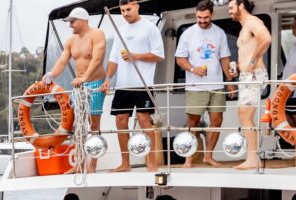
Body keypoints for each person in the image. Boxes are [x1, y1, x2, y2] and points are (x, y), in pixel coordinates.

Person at [101, 0, 164, 173]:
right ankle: (125, 163)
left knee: (144, 120)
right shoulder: (120, 31)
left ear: (137, 6)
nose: (125, 13)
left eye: (128, 9)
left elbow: (159, 56)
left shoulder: (150, 28)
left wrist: (136, 56)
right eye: (122, 10)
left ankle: (152, 162)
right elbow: (114, 59)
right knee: (120, 121)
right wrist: (107, 78)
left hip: (143, 84)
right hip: (123, 85)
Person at [44, 7, 107, 173]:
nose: (70, 25)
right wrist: (51, 74)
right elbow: (62, 62)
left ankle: (92, 164)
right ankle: (79, 164)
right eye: (69, 22)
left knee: (94, 125)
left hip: (94, 83)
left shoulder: (97, 34)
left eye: (72, 21)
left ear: (83, 20)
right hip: (79, 86)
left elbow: (97, 59)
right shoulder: (71, 40)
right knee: (79, 125)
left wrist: (85, 77)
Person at [175, 0, 234, 168]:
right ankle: (188, 159)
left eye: (205, 17)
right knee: (193, 122)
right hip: (195, 86)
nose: (201, 20)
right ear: (196, 14)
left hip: (216, 85)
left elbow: (224, 58)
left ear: (212, 15)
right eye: (199, 17)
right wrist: (193, 69)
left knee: (217, 120)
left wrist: (230, 82)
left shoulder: (220, 33)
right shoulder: (188, 34)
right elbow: (180, 59)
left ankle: (208, 156)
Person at [228, 0, 271, 170]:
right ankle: (252, 157)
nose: (229, 11)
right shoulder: (244, 26)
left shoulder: (253, 22)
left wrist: (252, 62)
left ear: (241, 6)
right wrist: (238, 68)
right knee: (243, 116)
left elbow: (266, 39)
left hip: (253, 76)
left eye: (231, 7)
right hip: (246, 76)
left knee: (245, 116)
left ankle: (253, 159)